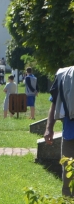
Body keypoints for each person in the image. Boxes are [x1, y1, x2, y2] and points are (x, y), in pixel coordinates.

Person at [45, 66, 74, 196]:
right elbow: (55, 103)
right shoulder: (66, 76)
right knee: (68, 173)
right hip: (70, 135)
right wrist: (49, 128)